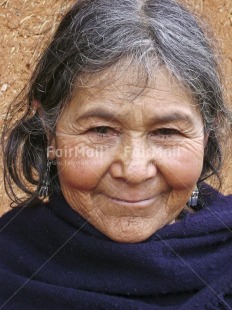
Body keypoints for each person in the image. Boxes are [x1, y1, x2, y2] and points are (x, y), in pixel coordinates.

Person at [0, 0, 232, 308]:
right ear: (48, 129)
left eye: (167, 132)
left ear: (206, 136)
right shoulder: (8, 264)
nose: (134, 171)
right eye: (100, 131)